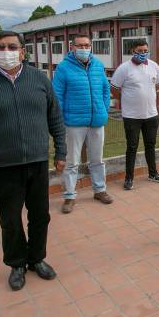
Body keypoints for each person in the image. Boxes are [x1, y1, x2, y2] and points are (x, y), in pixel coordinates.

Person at [0, 31, 66, 291]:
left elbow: (55, 117)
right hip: (4, 166)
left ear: (22, 51)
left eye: (12, 46)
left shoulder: (39, 79)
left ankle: (36, 259)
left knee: (40, 216)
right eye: (0, 47)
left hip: (38, 161)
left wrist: (61, 152)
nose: (6, 51)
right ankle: (16, 263)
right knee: (9, 219)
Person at [53, 34, 112, 214]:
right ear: (72, 47)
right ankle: (70, 196)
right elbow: (57, 96)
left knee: (97, 159)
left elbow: (105, 89)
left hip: (97, 121)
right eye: (80, 45)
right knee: (72, 162)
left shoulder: (98, 65)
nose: (84, 48)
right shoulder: (63, 68)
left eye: (87, 45)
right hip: (74, 123)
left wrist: (103, 108)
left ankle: (99, 190)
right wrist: (61, 119)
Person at [111, 39, 159, 190]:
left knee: (151, 145)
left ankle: (153, 173)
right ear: (132, 52)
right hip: (131, 116)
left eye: (145, 51)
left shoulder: (154, 66)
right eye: (140, 51)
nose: (143, 54)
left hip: (151, 115)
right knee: (132, 147)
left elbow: (156, 85)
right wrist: (127, 98)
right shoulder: (124, 68)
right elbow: (114, 88)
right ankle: (129, 178)